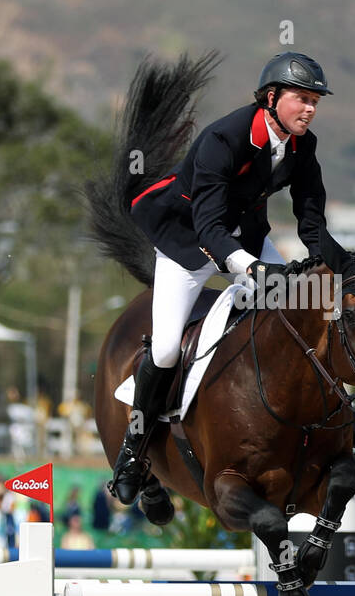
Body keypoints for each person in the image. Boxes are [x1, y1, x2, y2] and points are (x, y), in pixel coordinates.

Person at [110, 52, 333, 502]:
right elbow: (209, 226)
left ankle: (331, 415)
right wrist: (250, 269)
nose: (310, 109)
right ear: (271, 98)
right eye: (301, 98)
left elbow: (311, 217)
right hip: (188, 243)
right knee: (169, 347)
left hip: (246, 238)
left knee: (308, 307)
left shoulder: (300, 145)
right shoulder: (223, 139)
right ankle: (134, 450)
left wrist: (333, 263)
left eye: (315, 100)